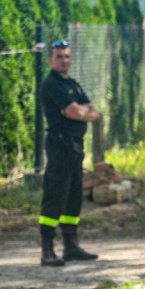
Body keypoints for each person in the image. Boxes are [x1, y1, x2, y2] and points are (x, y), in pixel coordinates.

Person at [38, 39, 101, 267]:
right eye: (59, 57)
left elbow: (93, 112)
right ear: (50, 59)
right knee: (55, 195)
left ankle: (71, 246)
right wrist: (81, 111)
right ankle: (47, 249)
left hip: (75, 147)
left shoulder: (72, 84)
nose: (64, 60)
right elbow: (74, 111)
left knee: (74, 196)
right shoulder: (52, 84)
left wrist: (81, 111)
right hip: (60, 146)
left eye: (66, 56)